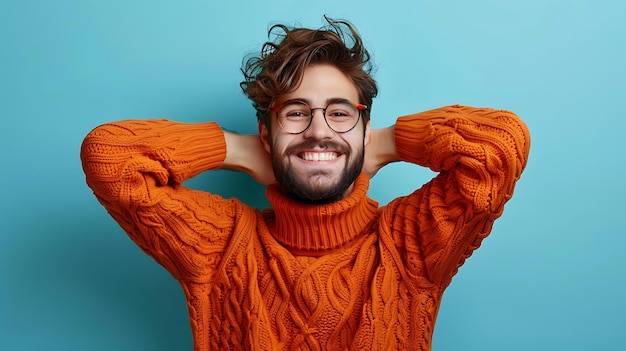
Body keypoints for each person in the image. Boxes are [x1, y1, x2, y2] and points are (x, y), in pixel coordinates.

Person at [81, 17, 530, 351]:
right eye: (295, 113)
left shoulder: (410, 245)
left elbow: (501, 143)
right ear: (265, 134)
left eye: (339, 112)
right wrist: (239, 150)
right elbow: (111, 158)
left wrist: (383, 145)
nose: (319, 130)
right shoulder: (219, 246)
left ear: (365, 128)